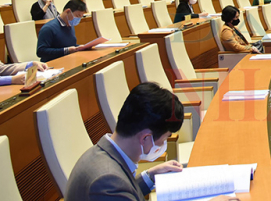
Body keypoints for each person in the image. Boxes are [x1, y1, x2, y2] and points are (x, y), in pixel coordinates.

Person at [65, 82, 196, 201]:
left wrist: (150, 176)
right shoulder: (107, 183)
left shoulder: (100, 153)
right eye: (165, 138)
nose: (164, 145)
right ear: (145, 138)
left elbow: (125, 189)